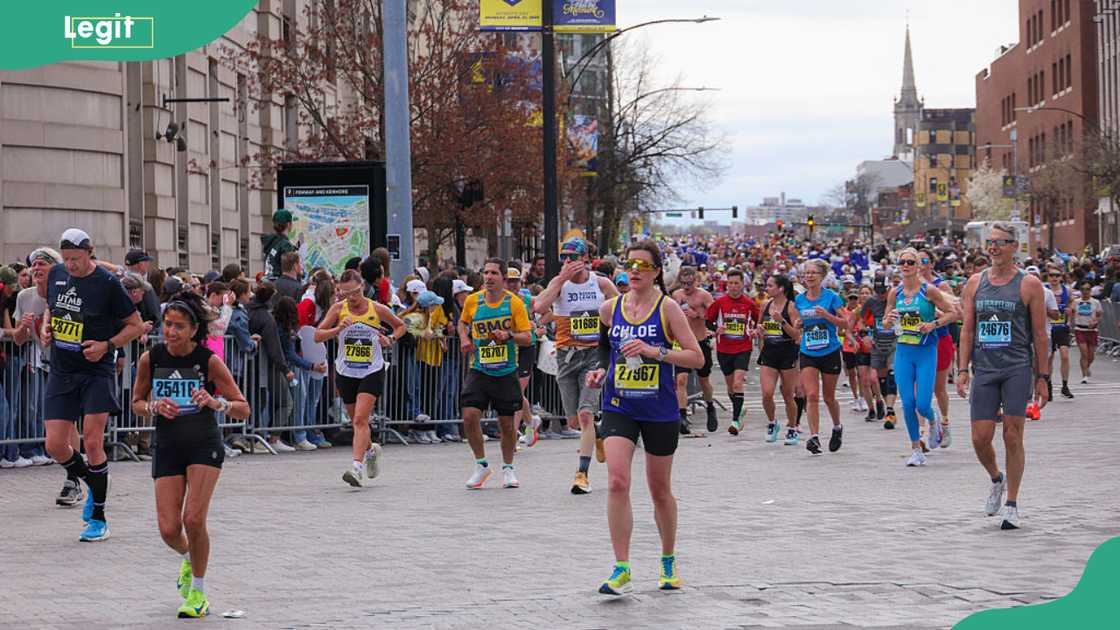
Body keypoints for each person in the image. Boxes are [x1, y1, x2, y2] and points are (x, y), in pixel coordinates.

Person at [585, 240, 703, 596]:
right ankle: (621, 567)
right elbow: (604, 349)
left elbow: (696, 357)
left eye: (642, 266)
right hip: (620, 404)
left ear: (656, 272)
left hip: (659, 409)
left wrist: (656, 352)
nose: (634, 271)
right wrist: (600, 371)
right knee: (617, 481)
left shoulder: (668, 309)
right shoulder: (609, 309)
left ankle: (667, 559)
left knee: (659, 490)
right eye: (630, 264)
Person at [129, 290, 250, 618]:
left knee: (193, 519)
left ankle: (198, 592)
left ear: (194, 330)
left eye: (179, 326)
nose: (171, 331)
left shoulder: (208, 361)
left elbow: (243, 408)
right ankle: (188, 556)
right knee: (169, 529)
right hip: (168, 444)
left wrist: (215, 402)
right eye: (168, 324)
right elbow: (136, 402)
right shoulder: (151, 358)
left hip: (203, 444)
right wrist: (153, 406)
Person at [41, 229, 145, 542]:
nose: (71, 265)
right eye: (67, 259)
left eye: (76, 259)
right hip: (62, 369)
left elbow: (136, 326)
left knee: (93, 441)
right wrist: (47, 328)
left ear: (90, 252)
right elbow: (52, 307)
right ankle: (94, 480)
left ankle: (98, 517)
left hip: (96, 370)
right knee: (54, 445)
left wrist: (106, 345)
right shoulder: (57, 274)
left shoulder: (108, 283)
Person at [957, 223, 1050, 530]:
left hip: (1016, 368)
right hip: (984, 368)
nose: (993, 247)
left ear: (1014, 246)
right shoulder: (975, 282)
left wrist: (1043, 377)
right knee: (980, 438)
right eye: (990, 242)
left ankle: (1011, 504)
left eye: (1000, 242)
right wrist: (962, 369)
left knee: (1012, 435)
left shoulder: (1029, 284)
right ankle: (997, 479)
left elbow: (1040, 334)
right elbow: (967, 330)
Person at [534, 238, 618, 494]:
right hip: (566, 357)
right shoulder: (559, 284)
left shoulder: (601, 284)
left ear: (585, 259)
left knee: (585, 414)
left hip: (594, 356)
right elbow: (539, 306)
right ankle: (598, 434)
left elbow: (623, 310)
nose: (568, 262)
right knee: (574, 422)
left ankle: (582, 474)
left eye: (573, 257)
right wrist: (560, 279)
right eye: (564, 258)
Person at [316, 269, 405, 487]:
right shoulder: (338, 309)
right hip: (346, 370)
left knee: (359, 420)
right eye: (345, 294)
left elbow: (401, 326)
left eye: (355, 292)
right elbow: (318, 335)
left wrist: (390, 339)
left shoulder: (377, 309)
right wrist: (337, 329)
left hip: (371, 370)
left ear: (362, 287)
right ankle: (370, 450)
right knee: (357, 422)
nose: (351, 298)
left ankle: (356, 468)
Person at [459, 259, 533, 490]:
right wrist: (464, 339)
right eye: (486, 272)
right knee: (469, 415)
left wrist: (509, 335)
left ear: (503, 278)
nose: (489, 277)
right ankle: (481, 465)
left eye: (493, 273)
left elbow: (527, 337)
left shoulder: (514, 303)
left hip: (506, 370)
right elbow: (462, 323)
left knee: (507, 424)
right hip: (479, 368)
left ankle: (508, 468)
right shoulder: (473, 300)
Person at [883, 249, 960, 467]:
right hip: (903, 352)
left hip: (926, 352)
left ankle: (934, 419)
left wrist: (933, 324)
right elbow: (886, 323)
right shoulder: (895, 293)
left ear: (918, 266)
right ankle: (916, 450)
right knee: (908, 403)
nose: (906, 265)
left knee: (923, 404)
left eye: (910, 262)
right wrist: (888, 320)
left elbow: (953, 313)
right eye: (902, 262)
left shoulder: (929, 290)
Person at [794, 258, 847, 455]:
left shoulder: (832, 297)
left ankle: (837, 427)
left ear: (822, 276)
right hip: (808, 351)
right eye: (806, 273)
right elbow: (798, 322)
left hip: (830, 351)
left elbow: (845, 323)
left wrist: (827, 315)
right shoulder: (800, 299)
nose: (809, 276)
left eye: (813, 273)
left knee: (829, 397)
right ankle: (814, 437)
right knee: (812, 395)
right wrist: (799, 323)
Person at [706, 268, 760, 436]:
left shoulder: (749, 303)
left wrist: (755, 331)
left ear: (743, 284)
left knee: (737, 383)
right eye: (730, 283)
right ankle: (739, 408)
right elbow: (708, 321)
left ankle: (735, 421)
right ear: (726, 285)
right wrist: (716, 329)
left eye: (737, 283)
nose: (733, 286)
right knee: (731, 387)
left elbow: (759, 322)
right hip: (724, 349)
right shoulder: (719, 303)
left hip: (743, 348)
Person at [754, 274, 802, 444]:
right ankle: (772, 422)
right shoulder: (765, 305)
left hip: (787, 352)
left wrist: (782, 321)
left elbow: (796, 335)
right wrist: (759, 331)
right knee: (767, 393)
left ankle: (792, 428)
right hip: (769, 352)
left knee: (788, 395)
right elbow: (759, 326)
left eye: (770, 285)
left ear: (781, 288)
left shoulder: (791, 307)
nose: (766, 288)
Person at [669, 266, 718, 434]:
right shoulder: (677, 295)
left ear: (696, 281)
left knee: (704, 380)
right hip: (681, 344)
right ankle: (682, 416)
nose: (686, 287)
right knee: (681, 380)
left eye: (689, 283)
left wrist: (698, 315)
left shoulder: (704, 295)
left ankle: (710, 406)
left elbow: (714, 316)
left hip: (700, 341)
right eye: (683, 283)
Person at [504, 265, 542, 447]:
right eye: (509, 281)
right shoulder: (498, 301)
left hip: (526, 346)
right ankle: (530, 421)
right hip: (509, 347)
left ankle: (511, 436)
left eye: (516, 281)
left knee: (516, 392)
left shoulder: (527, 299)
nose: (512, 285)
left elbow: (549, 313)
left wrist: (537, 325)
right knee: (513, 391)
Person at [858, 273, 898, 429]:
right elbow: (861, 321)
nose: (881, 295)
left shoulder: (897, 299)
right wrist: (864, 336)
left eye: (883, 292)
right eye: (878, 292)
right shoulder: (871, 301)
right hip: (877, 344)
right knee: (880, 379)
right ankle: (886, 406)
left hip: (894, 342)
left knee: (891, 374)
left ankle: (890, 410)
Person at [1046, 267, 1075, 398]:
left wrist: (1070, 309)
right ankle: (1049, 385)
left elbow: (1072, 302)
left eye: (1057, 275)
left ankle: (1065, 385)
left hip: (1062, 328)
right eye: (1051, 275)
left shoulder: (1066, 290)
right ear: (1048, 277)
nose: (1054, 278)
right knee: (1049, 359)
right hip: (1049, 328)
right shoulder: (1044, 290)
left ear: (1061, 277)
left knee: (1065, 356)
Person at [1071, 281, 1103, 383]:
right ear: (1080, 291)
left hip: (1092, 331)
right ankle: (1084, 376)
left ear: (1091, 290)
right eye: (1083, 289)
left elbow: (1099, 315)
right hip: (1080, 330)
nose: (1085, 291)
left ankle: (1087, 367)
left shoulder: (1096, 302)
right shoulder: (1076, 302)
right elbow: (1071, 313)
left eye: (1087, 289)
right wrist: (1069, 323)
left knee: (1091, 356)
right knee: (1084, 353)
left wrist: (1095, 321)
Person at [261, 209, 298, 279]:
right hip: (281, 281)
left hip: (268, 280)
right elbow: (289, 269)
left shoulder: (269, 241)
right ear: (289, 224)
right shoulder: (285, 245)